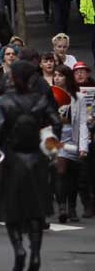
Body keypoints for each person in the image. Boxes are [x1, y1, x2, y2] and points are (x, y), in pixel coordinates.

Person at [0, 61, 62, 271]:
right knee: (36, 209)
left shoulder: (4, 101)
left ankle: (19, 248)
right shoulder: (39, 100)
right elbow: (55, 121)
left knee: (12, 208)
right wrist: (49, 142)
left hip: (13, 159)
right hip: (37, 158)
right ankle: (36, 253)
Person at [53, 64, 90, 222]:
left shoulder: (78, 97)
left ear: (67, 78)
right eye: (55, 75)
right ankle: (62, 208)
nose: (57, 78)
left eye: (61, 75)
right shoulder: (50, 94)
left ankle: (72, 207)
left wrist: (83, 146)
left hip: (72, 137)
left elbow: (82, 122)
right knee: (61, 170)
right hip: (57, 138)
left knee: (73, 174)